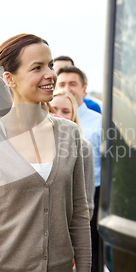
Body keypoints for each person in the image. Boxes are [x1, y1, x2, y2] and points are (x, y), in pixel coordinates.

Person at [0, 34, 91, 272]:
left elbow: (79, 216)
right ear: (9, 78)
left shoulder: (70, 134)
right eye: (37, 68)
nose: (50, 75)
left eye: (50, 65)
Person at [56, 65, 102, 272]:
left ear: (84, 88)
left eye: (72, 83)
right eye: (61, 83)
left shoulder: (99, 122)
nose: (67, 88)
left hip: (90, 194)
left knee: (88, 258)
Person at [50, 88, 95, 220]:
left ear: (73, 117)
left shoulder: (83, 147)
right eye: (53, 109)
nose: (58, 115)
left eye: (66, 111)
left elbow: (86, 201)